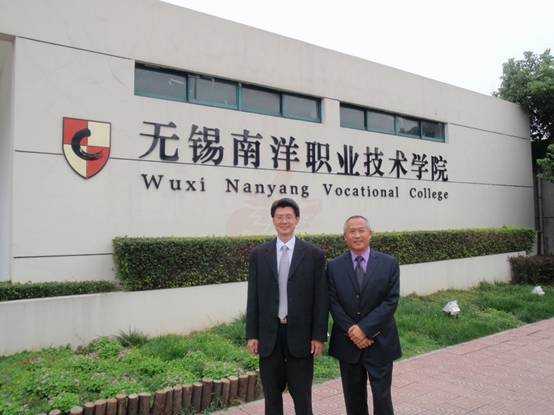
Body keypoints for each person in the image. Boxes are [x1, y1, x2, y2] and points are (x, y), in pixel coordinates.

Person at [245, 198, 328, 415]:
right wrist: (252, 334)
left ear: (297, 219)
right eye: (279, 217)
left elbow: (321, 299)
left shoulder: (314, 255)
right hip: (269, 337)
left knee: (302, 397)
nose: (284, 221)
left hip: (301, 336)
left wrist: (318, 336)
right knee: (272, 397)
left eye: (288, 217)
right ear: (273, 220)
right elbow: (253, 297)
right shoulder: (258, 255)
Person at [327, 215, 401, 415]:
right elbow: (333, 302)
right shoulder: (333, 267)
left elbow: (391, 301)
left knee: (382, 398)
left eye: (361, 230)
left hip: (380, 342)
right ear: (345, 237)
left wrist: (364, 329)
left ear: (370, 234)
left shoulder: (389, 263)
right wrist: (353, 332)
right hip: (347, 343)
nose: (357, 235)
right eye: (352, 231)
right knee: (353, 400)